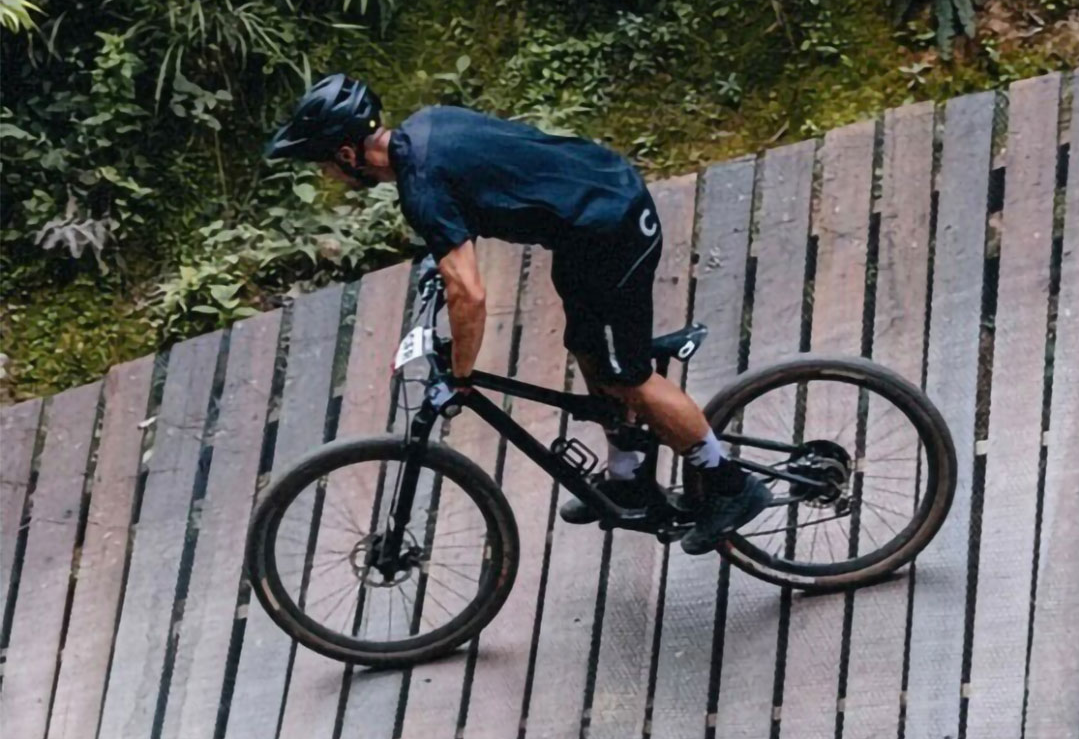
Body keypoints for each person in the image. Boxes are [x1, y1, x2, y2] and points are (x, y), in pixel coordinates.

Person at [264, 73, 769, 554]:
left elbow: (471, 294)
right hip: (585, 223)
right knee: (588, 349)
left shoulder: (421, 184)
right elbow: (487, 178)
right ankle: (629, 476)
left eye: (324, 165)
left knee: (627, 373)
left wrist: (460, 374)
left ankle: (730, 483)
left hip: (609, 227)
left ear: (349, 153)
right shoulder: (428, 125)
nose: (327, 175)